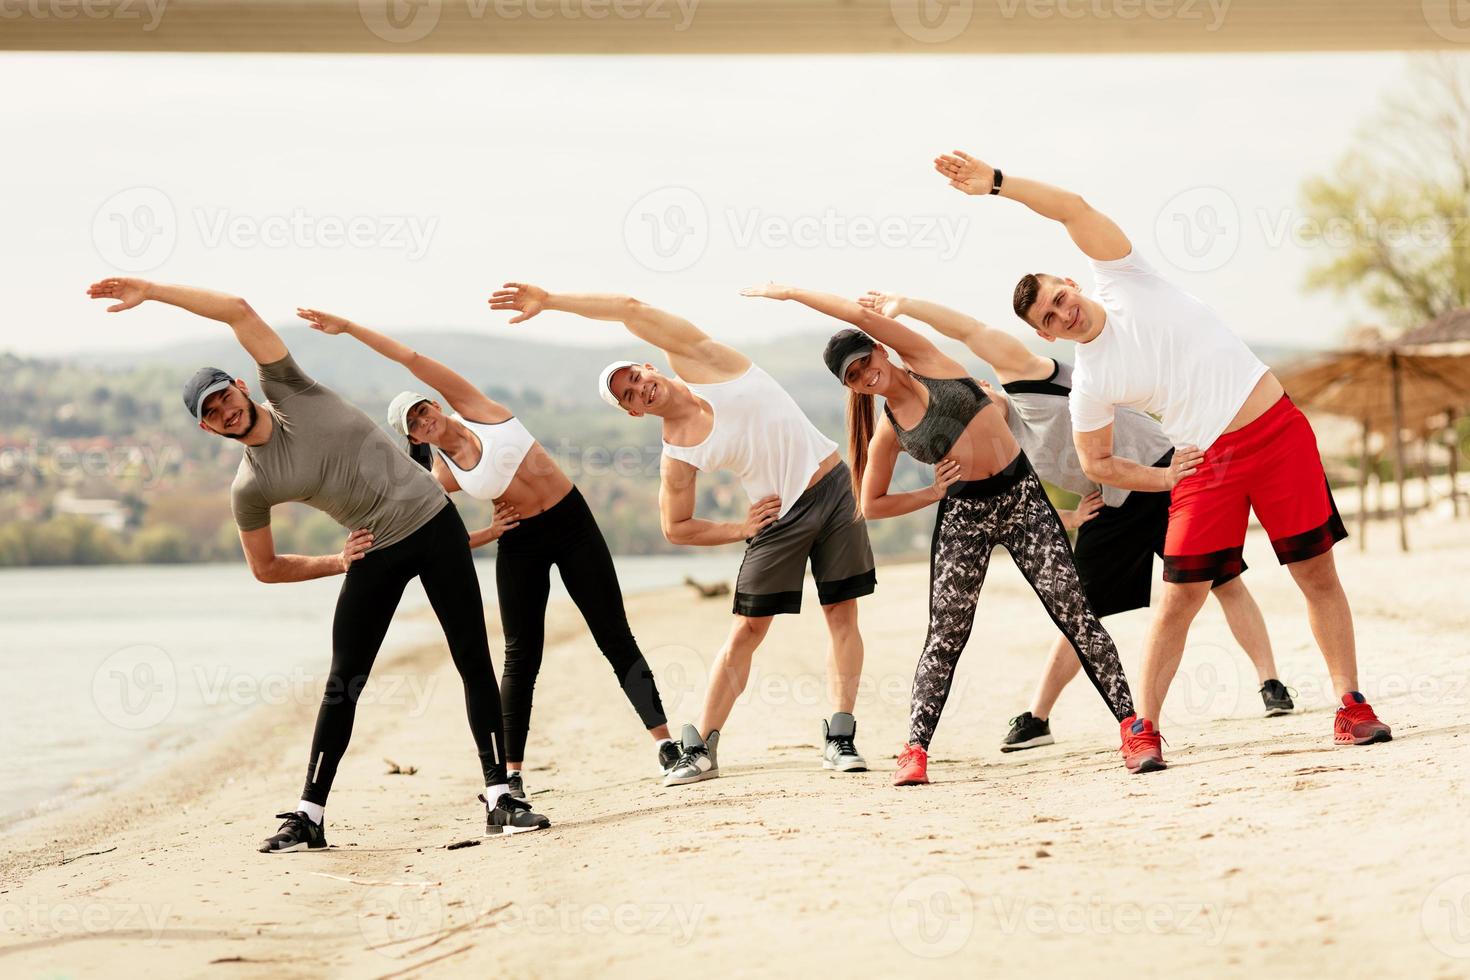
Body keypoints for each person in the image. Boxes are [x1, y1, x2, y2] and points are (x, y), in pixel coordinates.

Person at [932, 149, 1391, 770]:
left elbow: (1071, 208)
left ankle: (1351, 705)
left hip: (1279, 431)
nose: (1063, 311)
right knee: (1180, 598)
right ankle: (1143, 729)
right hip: (1208, 465)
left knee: (1316, 575)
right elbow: (1096, 463)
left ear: (1071, 281)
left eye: (1058, 297)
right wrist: (1164, 475)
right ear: (1046, 336)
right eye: (1049, 317)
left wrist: (996, 185)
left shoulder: (1125, 277)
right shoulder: (1090, 383)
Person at [86, 276, 550, 851]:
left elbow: (237, 308)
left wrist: (150, 292)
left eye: (224, 396)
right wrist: (336, 560)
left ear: (238, 385)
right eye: (211, 413)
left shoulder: (289, 389)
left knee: (472, 660)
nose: (225, 411)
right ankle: (309, 814)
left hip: (434, 523)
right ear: (205, 427)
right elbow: (266, 568)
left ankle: (499, 796)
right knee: (344, 681)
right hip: (374, 550)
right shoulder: (250, 487)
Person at [855, 290, 1296, 752]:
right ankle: (1038, 717)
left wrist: (905, 306)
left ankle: (1271, 684)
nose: (984, 395)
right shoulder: (1005, 447)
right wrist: (1073, 515)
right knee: (1081, 608)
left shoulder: (1025, 380)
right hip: (1112, 497)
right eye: (976, 395)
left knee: (1224, 580)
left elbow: (969, 330)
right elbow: (1027, 507)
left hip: (1163, 469)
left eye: (986, 389)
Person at [740, 284, 1147, 784]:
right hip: (965, 517)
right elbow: (872, 503)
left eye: (866, 360)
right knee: (945, 636)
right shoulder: (890, 429)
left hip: (1021, 498)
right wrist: (932, 495)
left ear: (881, 350)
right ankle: (914, 751)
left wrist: (792, 294)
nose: (868, 374)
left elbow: (851, 311)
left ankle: (1134, 729)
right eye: (854, 376)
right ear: (852, 387)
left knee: (1075, 613)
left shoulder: (926, 358)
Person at [487, 283, 875, 786]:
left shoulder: (705, 361)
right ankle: (703, 747)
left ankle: (840, 735)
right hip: (778, 518)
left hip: (836, 488)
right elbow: (676, 527)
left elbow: (629, 306)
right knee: (746, 631)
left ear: (650, 366)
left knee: (841, 615)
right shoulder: (678, 452)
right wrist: (740, 528)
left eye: (635, 377)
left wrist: (551, 301)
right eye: (628, 395)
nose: (638, 389)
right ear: (632, 412)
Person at [296, 309, 679, 797]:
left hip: (572, 523)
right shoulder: (441, 478)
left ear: (434, 404)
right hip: (520, 542)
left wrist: (349, 328)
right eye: (415, 424)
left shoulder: (475, 406)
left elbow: (411, 357)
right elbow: (436, 537)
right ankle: (512, 774)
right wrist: (490, 533)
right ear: (413, 438)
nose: (425, 419)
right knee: (521, 657)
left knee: (613, 634)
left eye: (423, 409)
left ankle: (665, 744)